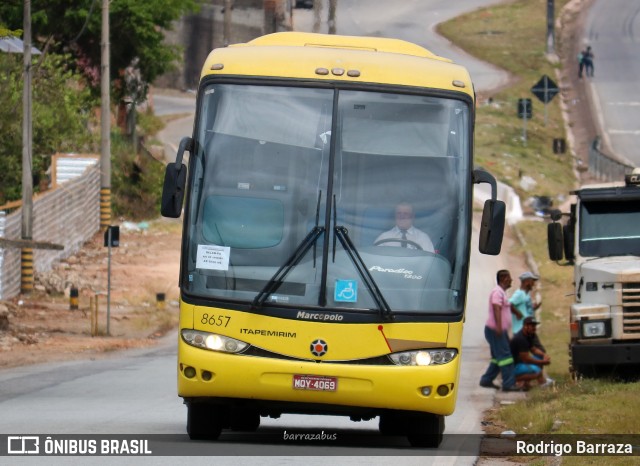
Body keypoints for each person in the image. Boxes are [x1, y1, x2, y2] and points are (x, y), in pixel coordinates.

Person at [479, 270, 526, 392]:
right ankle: (509, 384)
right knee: (506, 356)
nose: (511, 280)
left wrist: (517, 313)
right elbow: (497, 308)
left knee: (497, 356)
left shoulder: (502, 293)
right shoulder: (497, 292)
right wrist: (499, 326)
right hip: (495, 330)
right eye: (510, 278)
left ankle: (486, 380)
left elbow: (507, 306)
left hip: (500, 330)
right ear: (504, 278)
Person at [510, 317, 554, 389]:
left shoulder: (528, 335)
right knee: (537, 372)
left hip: (521, 363)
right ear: (525, 326)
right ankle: (513, 379)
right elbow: (526, 359)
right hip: (514, 366)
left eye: (535, 326)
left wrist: (544, 355)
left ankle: (526, 383)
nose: (534, 328)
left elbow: (533, 349)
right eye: (532, 326)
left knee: (539, 356)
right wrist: (542, 362)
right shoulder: (520, 338)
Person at [510, 271, 542, 335]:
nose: (533, 284)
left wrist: (533, 308)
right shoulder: (519, 293)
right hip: (520, 331)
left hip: (527, 331)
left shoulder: (526, 294)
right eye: (532, 281)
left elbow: (525, 309)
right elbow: (509, 304)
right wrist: (518, 314)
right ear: (527, 281)